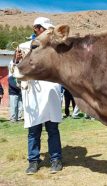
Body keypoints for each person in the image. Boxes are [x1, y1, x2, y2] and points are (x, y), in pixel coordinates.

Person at [14, 17, 63, 174]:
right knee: (33, 130)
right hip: (33, 94)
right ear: (36, 28)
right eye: (42, 28)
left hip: (50, 93)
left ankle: (56, 159)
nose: (45, 32)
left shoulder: (56, 48)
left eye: (48, 29)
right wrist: (17, 61)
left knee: (52, 128)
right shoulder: (24, 47)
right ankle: (33, 161)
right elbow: (16, 71)